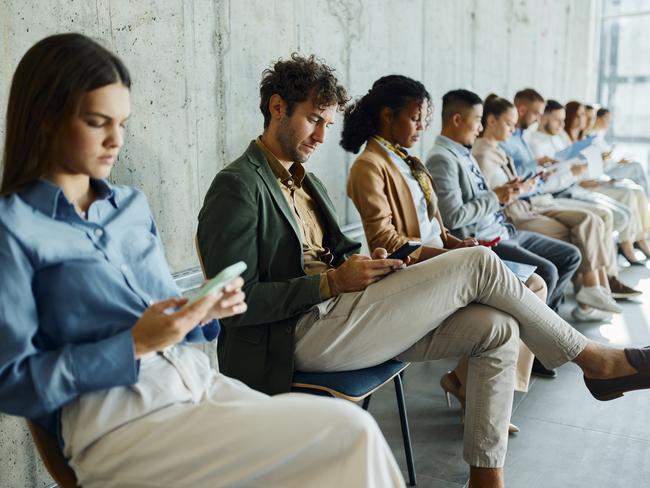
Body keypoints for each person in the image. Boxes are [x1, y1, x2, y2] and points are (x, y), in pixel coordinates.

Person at [197, 53, 650, 488]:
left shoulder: (306, 180)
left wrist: (370, 268)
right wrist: (331, 281)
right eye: (314, 120)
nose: (320, 136)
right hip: (293, 336)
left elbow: (342, 252)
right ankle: (594, 360)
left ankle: (485, 478)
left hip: (341, 312)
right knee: (479, 262)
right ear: (278, 107)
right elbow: (233, 308)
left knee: (497, 326)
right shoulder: (237, 186)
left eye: (327, 124)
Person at [0, 34, 406, 488]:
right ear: (45, 118)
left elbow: (160, 313)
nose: (116, 140)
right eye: (98, 122)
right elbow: (12, 382)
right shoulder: (14, 228)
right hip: (117, 419)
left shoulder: (129, 208)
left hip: (195, 382)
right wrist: (133, 344)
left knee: (347, 442)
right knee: (349, 434)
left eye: (122, 123)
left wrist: (202, 311)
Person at [342, 75, 541, 432]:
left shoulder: (408, 161)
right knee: (517, 303)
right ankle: (484, 392)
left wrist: (455, 244)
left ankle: (480, 390)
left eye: (425, 120)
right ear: (388, 116)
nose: (421, 127)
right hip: (411, 275)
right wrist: (449, 256)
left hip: (442, 261)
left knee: (536, 283)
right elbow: (387, 239)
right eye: (415, 118)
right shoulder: (368, 166)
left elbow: (435, 224)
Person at [425, 89, 581, 316]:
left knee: (571, 255)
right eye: (478, 120)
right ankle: (542, 337)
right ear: (457, 120)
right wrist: (497, 196)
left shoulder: (463, 152)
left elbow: (483, 199)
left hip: (503, 229)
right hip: (484, 240)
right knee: (548, 272)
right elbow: (453, 217)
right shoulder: (442, 158)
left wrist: (504, 193)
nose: (480, 128)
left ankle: (545, 333)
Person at [473, 94, 621, 322]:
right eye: (508, 124)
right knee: (578, 235)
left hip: (534, 199)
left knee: (591, 222)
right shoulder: (486, 152)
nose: (512, 129)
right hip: (521, 208)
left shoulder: (500, 148)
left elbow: (508, 184)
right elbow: (494, 197)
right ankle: (572, 305)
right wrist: (527, 183)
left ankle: (595, 289)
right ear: (492, 121)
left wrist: (532, 178)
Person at [503, 89, 641, 298]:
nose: (560, 125)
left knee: (605, 215)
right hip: (544, 197)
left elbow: (536, 177)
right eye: (557, 119)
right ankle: (596, 288)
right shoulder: (528, 142)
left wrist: (573, 171)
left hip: (549, 194)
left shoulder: (540, 140)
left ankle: (602, 285)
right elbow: (536, 182)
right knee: (594, 222)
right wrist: (565, 173)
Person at [563, 101, 650, 265]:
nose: (588, 122)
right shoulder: (576, 142)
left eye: (590, 118)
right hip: (584, 187)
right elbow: (575, 176)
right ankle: (627, 244)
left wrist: (605, 176)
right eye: (584, 117)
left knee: (636, 190)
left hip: (596, 181)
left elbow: (595, 171)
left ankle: (639, 238)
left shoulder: (587, 141)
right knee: (629, 193)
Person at [590, 107, 649, 197]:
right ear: (598, 119)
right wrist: (603, 158)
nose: (609, 123)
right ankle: (647, 199)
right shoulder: (592, 137)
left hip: (610, 168)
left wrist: (619, 162)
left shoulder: (600, 136)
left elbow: (607, 160)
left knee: (636, 170)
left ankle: (644, 199)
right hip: (605, 173)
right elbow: (598, 161)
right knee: (636, 167)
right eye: (607, 119)